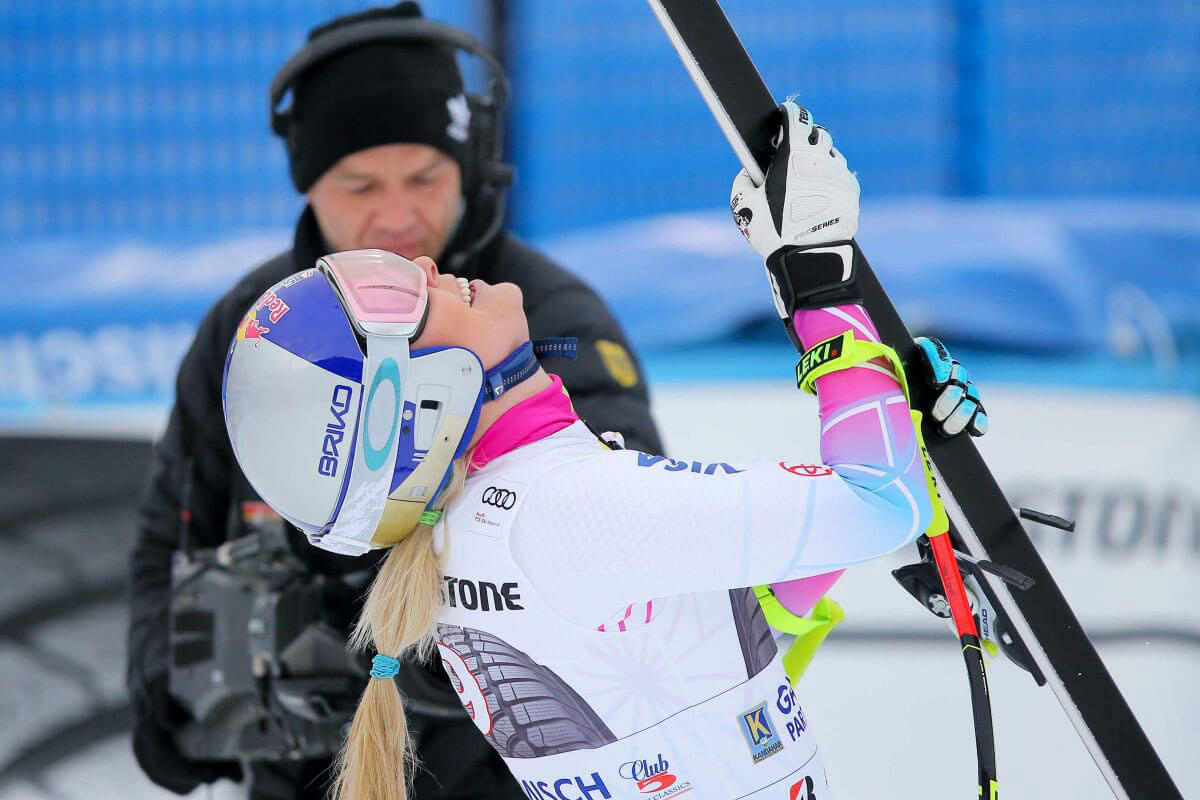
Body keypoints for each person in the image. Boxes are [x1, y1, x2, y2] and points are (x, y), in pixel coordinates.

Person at [219, 100, 989, 800]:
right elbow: (880, 502)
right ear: (413, 405)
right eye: (391, 303)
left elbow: (721, 661)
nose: (420, 268)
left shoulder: (471, 537)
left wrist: (876, 400)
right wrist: (820, 283)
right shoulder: (564, 509)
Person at [126, 3, 661, 799]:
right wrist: (169, 694)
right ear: (310, 187)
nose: (398, 214)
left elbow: (631, 555)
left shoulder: (550, 321)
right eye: (359, 184)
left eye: (426, 176)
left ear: (470, 168)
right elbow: (166, 534)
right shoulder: (255, 327)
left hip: (507, 774)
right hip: (295, 772)